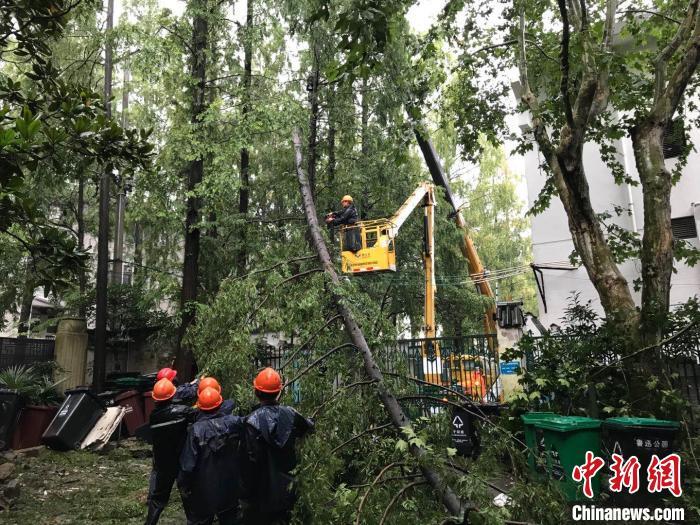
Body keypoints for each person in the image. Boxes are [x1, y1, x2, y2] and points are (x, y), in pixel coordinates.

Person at [241, 368, 314, 525]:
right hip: (288, 487)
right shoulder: (290, 413)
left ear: (256, 392)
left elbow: (249, 461)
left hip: (262, 491)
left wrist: (245, 494)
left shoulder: (251, 421)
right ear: (278, 391)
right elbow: (308, 427)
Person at [179, 386, 243, 525]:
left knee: (201, 520)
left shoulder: (196, 430)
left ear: (200, 407)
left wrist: (184, 485)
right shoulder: (233, 423)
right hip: (229, 486)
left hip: (203, 489)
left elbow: (188, 464)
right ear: (220, 404)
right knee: (230, 518)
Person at [145, 378, 196, 525]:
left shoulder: (154, 416)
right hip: (181, 461)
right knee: (188, 495)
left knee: (158, 499)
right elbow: (199, 416)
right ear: (172, 395)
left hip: (163, 463)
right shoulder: (182, 411)